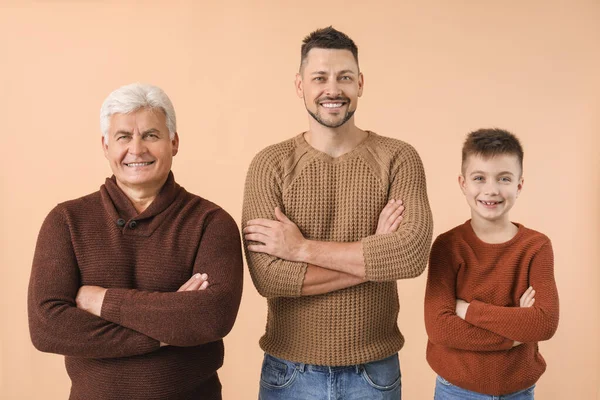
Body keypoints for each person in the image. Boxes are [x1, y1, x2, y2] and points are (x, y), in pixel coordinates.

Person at [242, 26, 433, 399]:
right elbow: (269, 278)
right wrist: (374, 253)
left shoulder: (398, 158)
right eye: (320, 78)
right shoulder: (270, 164)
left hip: (374, 372)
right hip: (290, 374)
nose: (333, 89)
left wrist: (301, 250)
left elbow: (410, 256)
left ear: (360, 83)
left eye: (344, 77)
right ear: (300, 86)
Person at [28, 83, 243, 400]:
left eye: (151, 135)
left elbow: (211, 318)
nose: (137, 149)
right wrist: (165, 332)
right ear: (105, 145)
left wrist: (100, 301)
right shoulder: (66, 221)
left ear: (174, 142)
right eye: (123, 137)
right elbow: (47, 327)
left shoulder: (211, 222)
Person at [424, 128, 559, 399]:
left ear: (519, 185)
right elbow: (439, 328)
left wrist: (468, 310)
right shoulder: (447, 246)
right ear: (463, 183)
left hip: (518, 390)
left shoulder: (536, 246)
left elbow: (544, 323)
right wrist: (515, 332)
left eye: (504, 178)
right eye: (479, 178)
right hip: (456, 390)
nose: (491, 190)